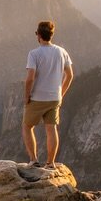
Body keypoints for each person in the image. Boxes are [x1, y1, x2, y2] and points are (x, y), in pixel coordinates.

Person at [22, 20, 73, 168]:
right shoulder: (62, 52)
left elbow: (30, 78)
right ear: (51, 35)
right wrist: (61, 93)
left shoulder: (34, 54)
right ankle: (51, 163)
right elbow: (69, 75)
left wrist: (26, 96)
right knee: (51, 129)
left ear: (38, 35)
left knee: (27, 127)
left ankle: (34, 160)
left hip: (37, 98)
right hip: (55, 98)